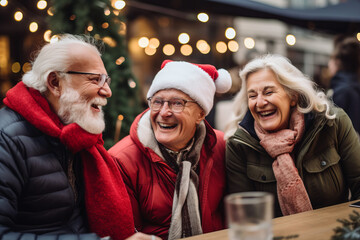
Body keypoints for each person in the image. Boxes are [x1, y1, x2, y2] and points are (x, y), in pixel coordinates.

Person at [0, 34, 160, 240]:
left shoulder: (75, 135)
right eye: (95, 79)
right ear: (55, 82)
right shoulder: (7, 139)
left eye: (106, 80)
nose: (108, 91)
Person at [224, 54, 360, 218]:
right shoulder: (239, 145)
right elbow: (246, 218)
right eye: (252, 95)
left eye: (268, 92)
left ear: (293, 97)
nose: (259, 103)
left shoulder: (332, 123)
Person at [109, 60, 232, 240]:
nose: (164, 112)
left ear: (200, 114)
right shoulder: (121, 160)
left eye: (177, 103)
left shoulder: (220, 146)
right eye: (157, 102)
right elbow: (126, 233)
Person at [327, 36, 360, 133]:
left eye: (331, 59)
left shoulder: (341, 92)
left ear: (337, 62)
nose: (328, 64)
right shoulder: (354, 87)